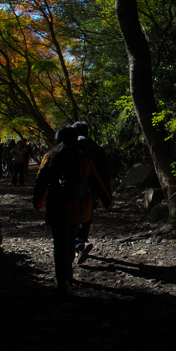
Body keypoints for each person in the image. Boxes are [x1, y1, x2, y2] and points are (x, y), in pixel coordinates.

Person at [33, 126, 111, 294]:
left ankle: (63, 281)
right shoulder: (83, 157)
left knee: (59, 244)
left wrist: (38, 201)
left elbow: (41, 181)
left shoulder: (50, 156)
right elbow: (96, 180)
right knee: (70, 241)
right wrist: (107, 200)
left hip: (57, 206)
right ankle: (68, 276)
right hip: (80, 207)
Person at [69, 121, 113, 264]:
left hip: (72, 188)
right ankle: (80, 243)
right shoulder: (98, 149)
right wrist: (107, 196)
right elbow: (105, 174)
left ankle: (75, 245)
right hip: (93, 189)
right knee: (86, 216)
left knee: (71, 216)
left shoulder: (70, 147)